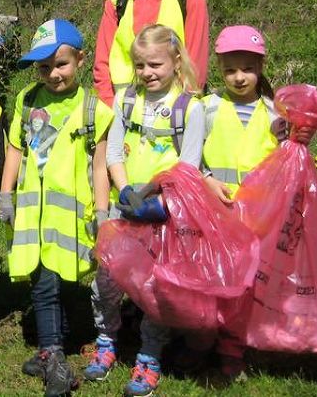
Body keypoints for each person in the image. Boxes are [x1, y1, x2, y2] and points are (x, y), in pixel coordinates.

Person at [85, 24, 205, 397]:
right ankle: (106, 342)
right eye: (140, 65)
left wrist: (157, 203)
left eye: (155, 64)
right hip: (127, 208)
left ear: (175, 61)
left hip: (164, 214)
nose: (147, 72)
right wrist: (124, 191)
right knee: (106, 283)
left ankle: (149, 357)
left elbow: (187, 168)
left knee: (156, 290)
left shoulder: (190, 107)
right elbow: (115, 153)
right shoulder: (126, 100)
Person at [0, 20, 113, 396]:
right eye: (44, 67)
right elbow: (15, 148)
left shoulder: (94, 109)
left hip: (71, 217)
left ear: (80, 59)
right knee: (43, 284)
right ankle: (54, 355)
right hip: (33, 213)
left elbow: (99, 165)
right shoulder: (28, 99)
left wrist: (104, 212)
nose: (53, 74)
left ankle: (52, 350)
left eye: (61, 64)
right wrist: (6, 193)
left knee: (61, 283)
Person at [200, 25, 312, 379]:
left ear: (260, 68)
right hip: (215, 211)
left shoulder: (274, 114)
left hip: (258, 219)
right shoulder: (208, 109)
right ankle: (199, 339)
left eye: (247, 68)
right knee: (211, 278)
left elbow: (289, 158)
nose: (239, 77)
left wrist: (303, 135)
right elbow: (192, 157)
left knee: (247, 285)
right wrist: (206, 181)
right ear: (219, 68)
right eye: (230, 69)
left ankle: (233, 348)